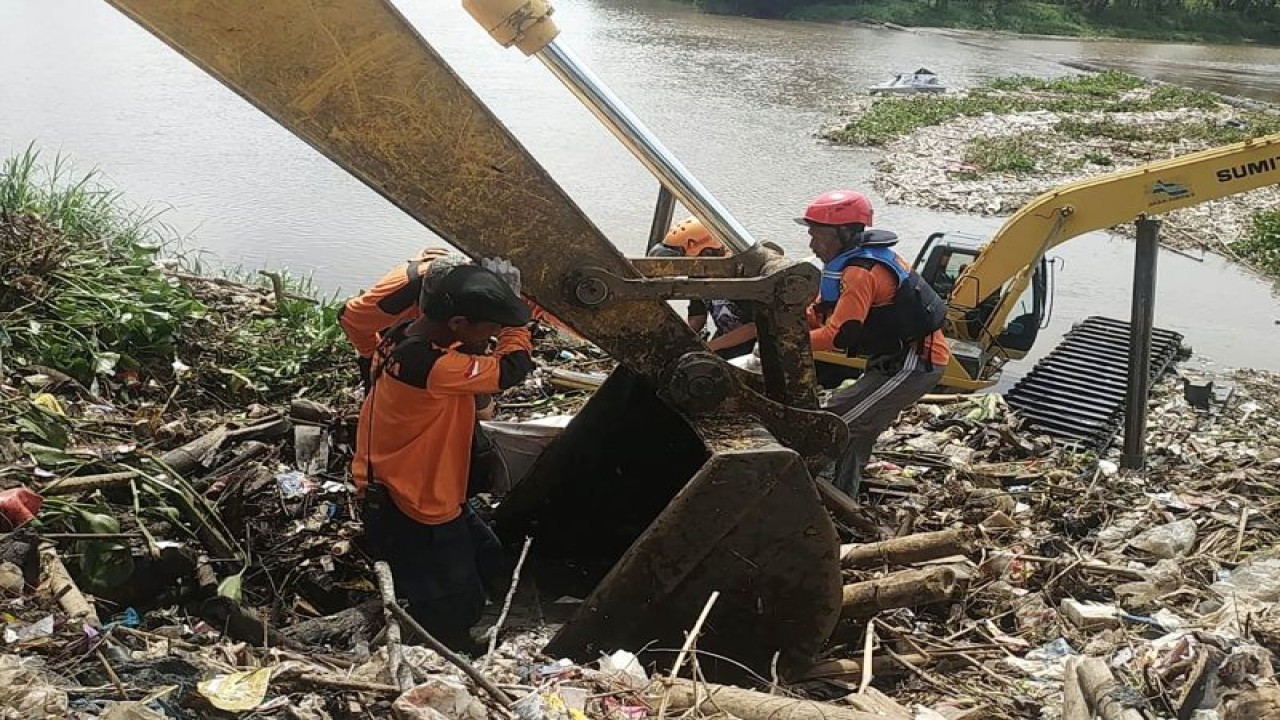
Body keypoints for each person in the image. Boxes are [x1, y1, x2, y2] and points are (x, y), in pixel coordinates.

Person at [352, 260, 535, 654]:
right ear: (457, 323)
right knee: (452, 603)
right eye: (491, 327)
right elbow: (512, 369)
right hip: (412, 503)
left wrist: (494, 312)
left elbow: (476, 379)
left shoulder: (405, 337)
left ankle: (464, 621)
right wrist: (517, 323)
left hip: (421, 488)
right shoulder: (433, 366)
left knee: (488, 557)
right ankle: (449, 651)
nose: (494, 335)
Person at [798, 189, 951, 497]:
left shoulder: (861, 272)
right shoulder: (850, 263)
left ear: (844, 233)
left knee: (832, 425)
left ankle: (811, 493)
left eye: (819, 237)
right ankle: (841, 497)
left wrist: (784, 341)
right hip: (892, 357)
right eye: (811, 236)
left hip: (915, 362)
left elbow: (837, 336)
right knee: (858, 431)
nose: (813, 246)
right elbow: (822, 314)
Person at [338, 247, 571, 394]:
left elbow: (559, 316)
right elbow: (350, 320)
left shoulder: (483, 291)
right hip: (416, 346)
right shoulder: (396, 297)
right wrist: (375, 359)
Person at [647, 216, 760, 360]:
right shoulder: (698, 274)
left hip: (756, 351)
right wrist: (679, 340)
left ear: (706, 253)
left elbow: (754, 328)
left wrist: (709, 347)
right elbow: (697, 317)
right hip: (725, 343)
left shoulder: (744, 275)